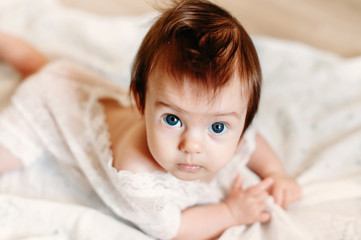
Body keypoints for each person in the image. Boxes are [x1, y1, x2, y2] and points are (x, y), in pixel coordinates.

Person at [0, 0, 302, 239]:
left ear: (243, 119)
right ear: (141, 101)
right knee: (15, 136)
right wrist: (231, 213)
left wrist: (277, 172)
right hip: (49, 113)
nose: (192, 145)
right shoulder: (136, 171)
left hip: (73, 85)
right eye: (172, 120)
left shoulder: (230, 126)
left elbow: (251, 142)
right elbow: (174, 229)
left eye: (218, 127)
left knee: (41, 67)